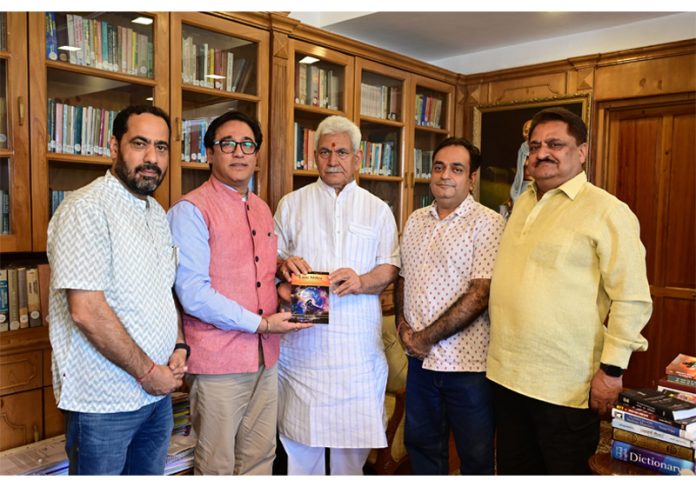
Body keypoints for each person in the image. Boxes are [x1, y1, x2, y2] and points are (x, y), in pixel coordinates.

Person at [487, 107, 653, 474]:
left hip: (564, 385)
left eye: (556, 144)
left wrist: (611, 371)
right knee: (514, 471)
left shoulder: (608, 211)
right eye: (535, 145)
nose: (542, 152)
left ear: (582, 152)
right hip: (506, 376)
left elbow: (632, 297)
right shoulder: (524, 201)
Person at [167, 110, 308, 475]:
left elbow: (258, 276)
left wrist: (285, 288)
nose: (239, 152)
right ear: (209, 154)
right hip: (218, 362)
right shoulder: (190, 210)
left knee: (260, 458)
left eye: (247, 144)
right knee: (216, 466)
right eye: (226, 144)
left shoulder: (261, 209)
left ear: (257, 155)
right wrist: (262, 325)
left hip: (265, 359)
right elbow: (193, 293)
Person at [47, 105, 186, 475]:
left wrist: (179, 344)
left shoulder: (156, 212)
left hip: (155, 396)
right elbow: (86, 310)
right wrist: (147, 374)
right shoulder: (85, 208)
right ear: (113, 146)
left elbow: (163, 291)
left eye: (161, 147)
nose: (152, 158)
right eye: (139, 144)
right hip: (104, 403)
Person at [274, 115, 400, 475]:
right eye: (326, 152)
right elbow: (272, 260)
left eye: (342, 152)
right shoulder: (291, 204)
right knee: (301, 454)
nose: (333, 160)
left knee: (351, 460)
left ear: (357, 158)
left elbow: (389, 267)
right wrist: (285, 264)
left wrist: (361, 280)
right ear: (314, 156)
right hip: (304, 352)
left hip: (356, 354)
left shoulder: (377, 209)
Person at [396, 137, 505, 475]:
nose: (445, 176)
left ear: (471, 177)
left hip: (466, 366)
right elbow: (403, 277)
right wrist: (403, 325)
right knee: (423, 448)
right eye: (439, 167)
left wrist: (427, 336)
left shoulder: (488, 223)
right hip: (419, 363)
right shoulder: (415, 219)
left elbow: (480, 294)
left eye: (457, 169)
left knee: (475, 456)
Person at [509, 119, 532, 203]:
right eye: (525, 131)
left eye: (529, 131)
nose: (526, 134)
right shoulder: (522, 149)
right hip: (523, 187)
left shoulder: (541, 149)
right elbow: (519, 172)